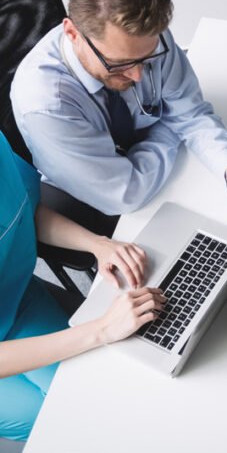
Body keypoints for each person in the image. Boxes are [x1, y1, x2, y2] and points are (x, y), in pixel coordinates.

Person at [11, 0, 227, 234]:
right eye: (119, 63)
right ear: (73, 33)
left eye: (147, 59)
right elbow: (126, 194)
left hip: (156, 168)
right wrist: (170, 124)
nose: (138, 76)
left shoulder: (145, 37)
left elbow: (191, 114)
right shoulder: (45, 106)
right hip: (95, 196)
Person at [0, 130, 165, 441]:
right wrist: (102, 329)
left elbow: (26, 210)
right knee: (63, 422)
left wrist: (97, 244)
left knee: (98, 390)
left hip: (16, 297)